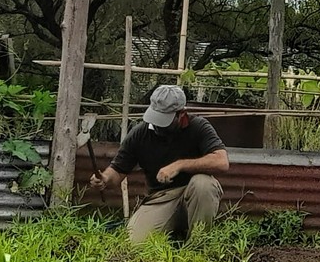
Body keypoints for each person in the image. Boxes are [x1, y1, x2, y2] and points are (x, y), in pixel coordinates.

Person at [91, 83, 230, 244]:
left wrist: (179, 165)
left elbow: (222, 161)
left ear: (181, 114)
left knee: (204, 184)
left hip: (193, 193)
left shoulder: (199, 127)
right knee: (135, 244)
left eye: (164, 120)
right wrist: (105, 178)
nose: (157, 125)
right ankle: (172, 231)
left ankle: (198, 245)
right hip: (161, 198)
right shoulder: (139, 134)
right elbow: (117, 171)